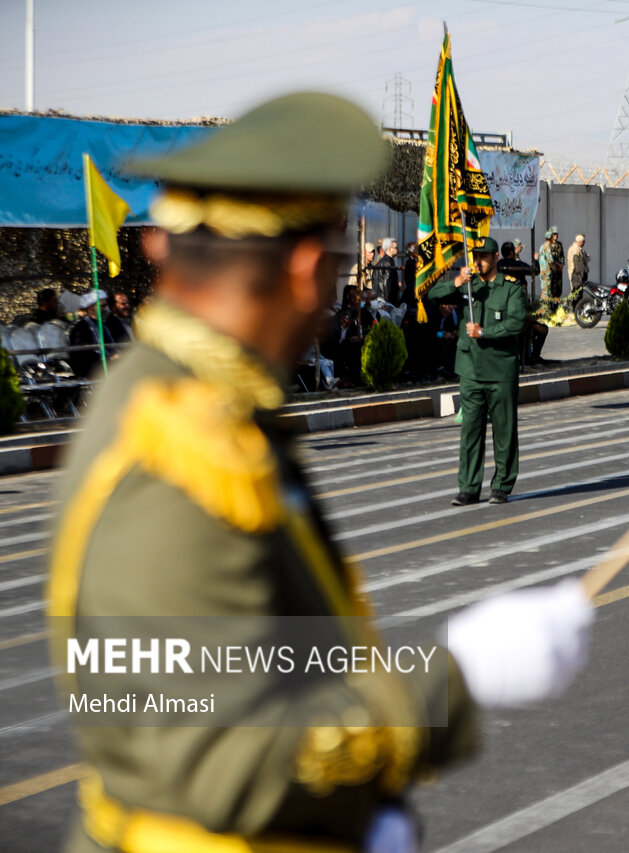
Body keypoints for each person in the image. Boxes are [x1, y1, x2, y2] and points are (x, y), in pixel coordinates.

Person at [48, 92, 591, 853]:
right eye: (338, 266)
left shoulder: (208, 401)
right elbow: (210, 757)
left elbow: (276, 659)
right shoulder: (176, 447)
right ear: (307, 271)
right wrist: (456, 678)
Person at [430, 237, 528, 505]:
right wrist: (457, 281)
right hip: (470, 370)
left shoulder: (510, 287)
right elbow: (433, 295)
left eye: (484, 256)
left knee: (504, 431)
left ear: (496, 257)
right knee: (470, 432)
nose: (479, 261)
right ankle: (469, 488)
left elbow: (516, 322)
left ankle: (502, 485)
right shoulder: (468, 284)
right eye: (476, 256)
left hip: (500, 370)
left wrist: (484, 332)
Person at [69, 290, 116, 377]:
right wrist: (108, 359)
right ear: (92, 307)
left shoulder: (103, 325)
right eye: (103, 306)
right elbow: (82, 356)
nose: (106, 309)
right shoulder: (82, 328)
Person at [538, 227, 564, 311]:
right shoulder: (547, 247)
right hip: (549, 271)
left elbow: (561, 256)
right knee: (547, 291)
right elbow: (550, 260)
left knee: (555, 290)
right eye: (554, 234)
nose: (556, 235)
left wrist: (561, 265)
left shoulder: (558, 245)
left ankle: (552, 308)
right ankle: (547, 309)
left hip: (554, 270)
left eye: (556, 234)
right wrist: (556, 266)